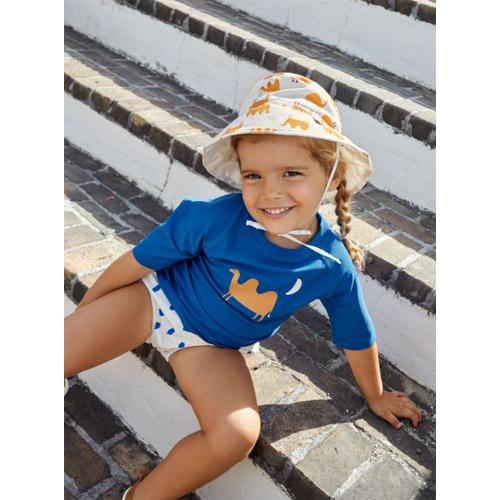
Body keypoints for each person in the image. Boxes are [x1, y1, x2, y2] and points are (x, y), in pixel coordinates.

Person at [64, 72, 423, 500]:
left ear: (332, 177)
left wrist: (376, 395)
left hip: (212, 347)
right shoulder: (212, 217)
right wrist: (85, 318)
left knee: (235, 436)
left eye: (291, 173)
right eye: (254, 175)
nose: (270, 192)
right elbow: (135, 262)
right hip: (152, 300)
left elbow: (357, 334)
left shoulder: (331, 265)